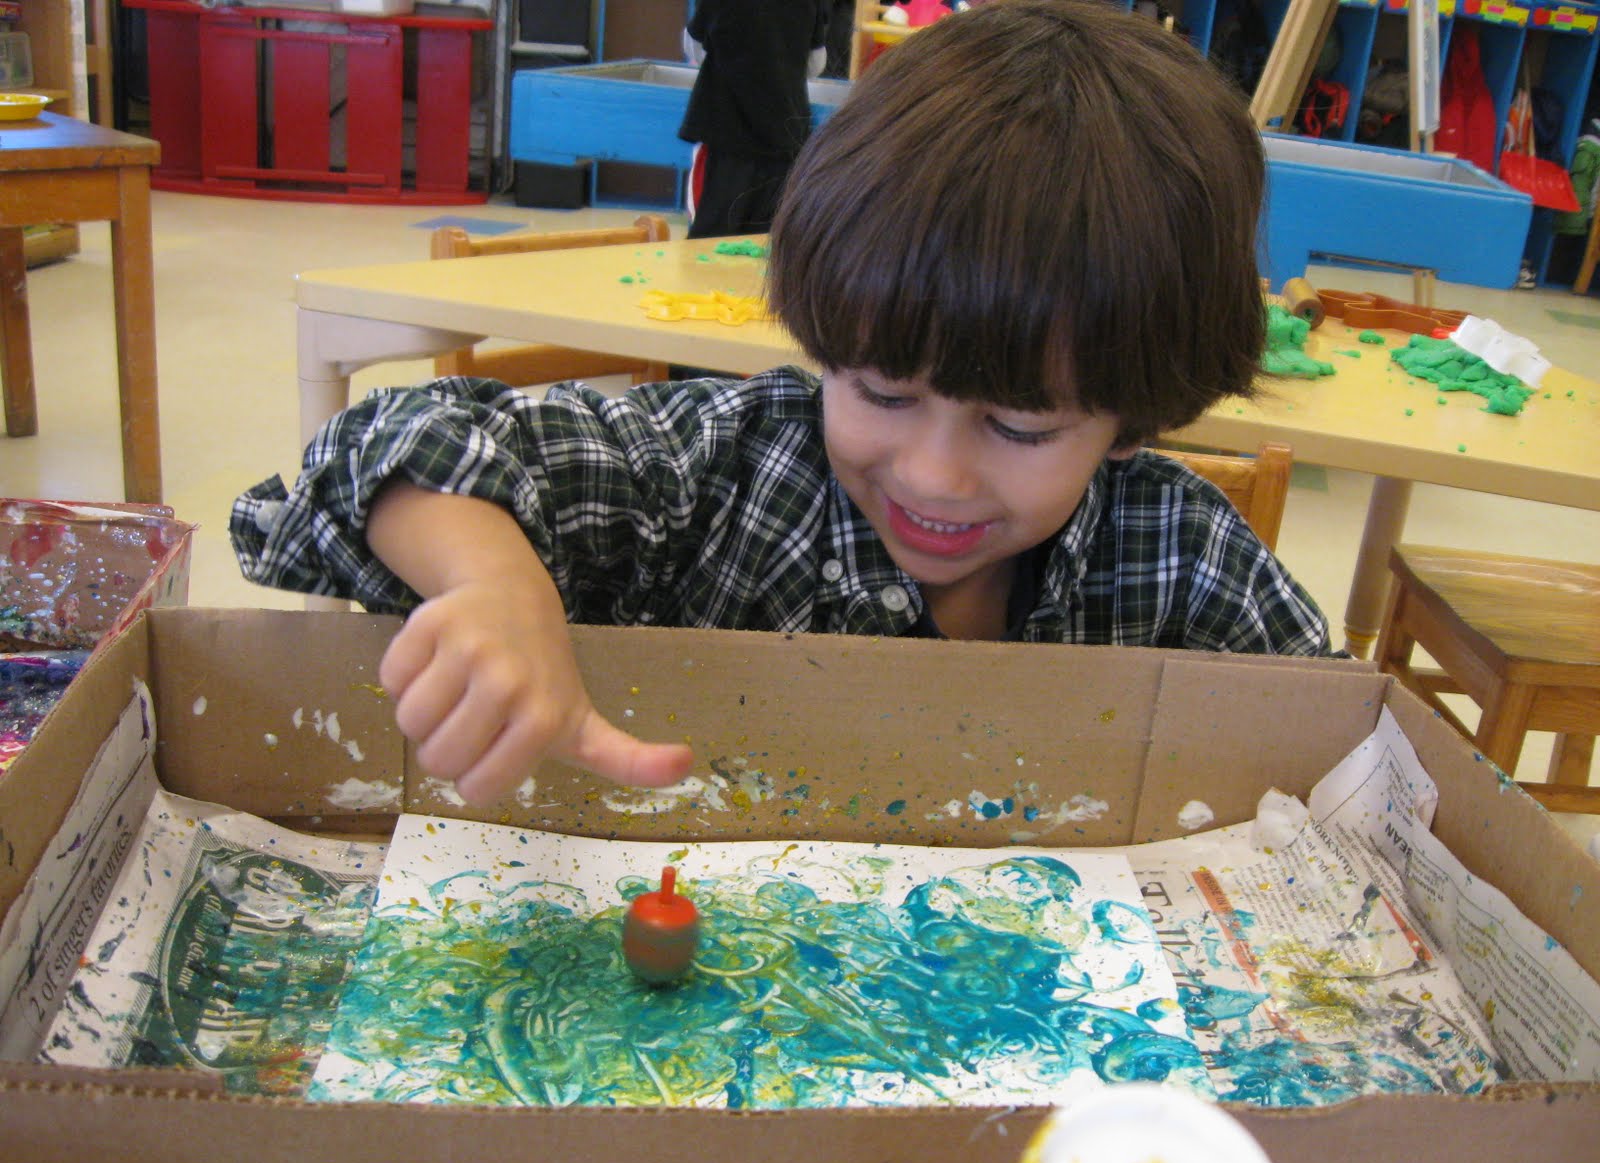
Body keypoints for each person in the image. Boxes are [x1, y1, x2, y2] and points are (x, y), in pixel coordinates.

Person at [232, 0, 1331, 808]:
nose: (933, 473)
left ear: (1131, 418)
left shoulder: (1183, 560)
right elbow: (380, 447)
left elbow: (1327, 754)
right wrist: (494, 582)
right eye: (882, 392)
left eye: (1020, 427)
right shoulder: (720, 473)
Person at [680, 0, 831, 238]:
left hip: (725, 133)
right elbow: (815, 62)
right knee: (766, 239)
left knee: (710, 234)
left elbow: (694, 45)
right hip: (783, 134)